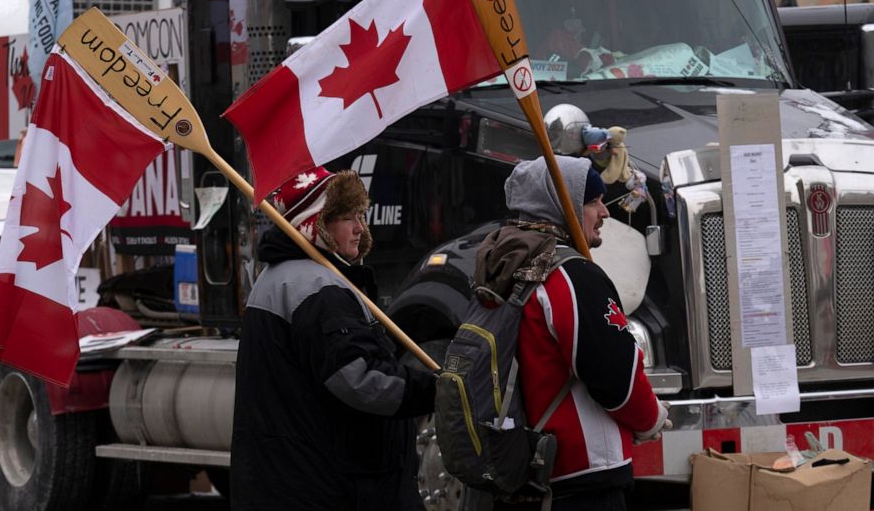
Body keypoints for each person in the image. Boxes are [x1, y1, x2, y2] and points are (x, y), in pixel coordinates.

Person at [230, 167, 437, 511]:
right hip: (321, 488)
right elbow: (358, 378)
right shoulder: (319, 289)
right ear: (316, 225)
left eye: (360, 215)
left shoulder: (280, 278)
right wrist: (434, 389)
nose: (359, 228)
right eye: (345, 218)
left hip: (288, 483)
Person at [473, 156, 671, 510]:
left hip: (520, 464)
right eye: (593, 201)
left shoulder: (502, 266)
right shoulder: (571, 274)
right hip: (582, 475)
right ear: (561, 206)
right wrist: (651, 418)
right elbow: (616, 376)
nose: (604, 212)